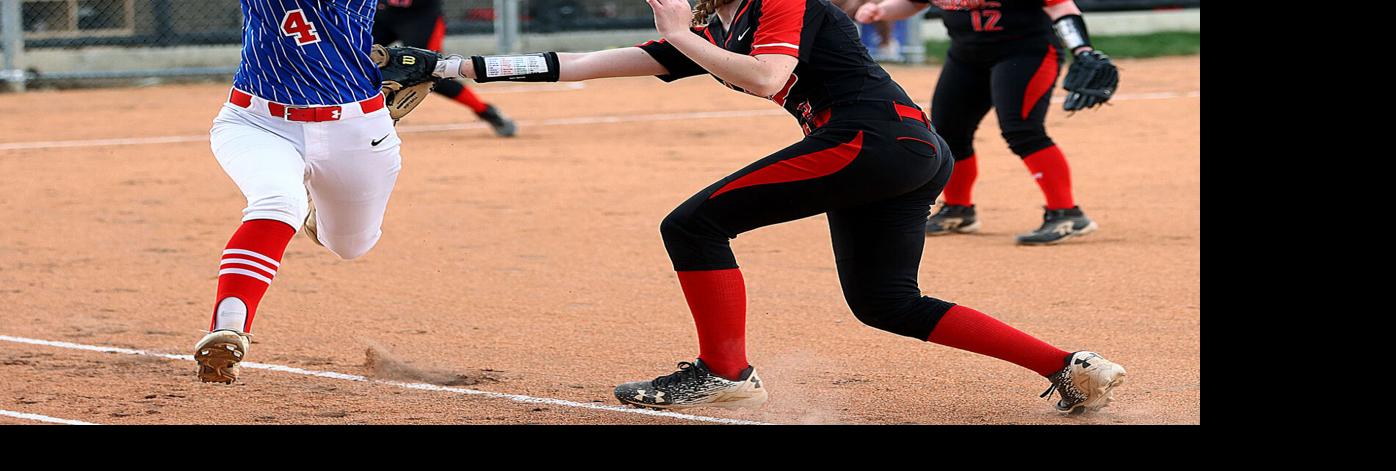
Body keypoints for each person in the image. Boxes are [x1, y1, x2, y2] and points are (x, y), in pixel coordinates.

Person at [433, 0, 1125, 414]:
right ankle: (1070, 367)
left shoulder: (769, 3)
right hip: (897, 147)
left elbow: (771, 75)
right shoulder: (720, 27)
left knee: (693, 224)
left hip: (872, 139)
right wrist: (451, 69)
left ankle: (724, 374)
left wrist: (681, 37)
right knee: (886, 302)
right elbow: (580, 64)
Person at [196, 0, 409, 383]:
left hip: (357, 129)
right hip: (257, 121)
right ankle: (228, 326)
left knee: (350, 245)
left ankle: (318, 219)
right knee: (278, 202)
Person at [853, 0, 1118, 244]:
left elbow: (1061, 7)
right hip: (966, 55)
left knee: (1022, 130)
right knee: (948, 131)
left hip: (1026, 52)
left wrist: (1082, 49)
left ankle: (1067, 212)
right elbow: (914, 3)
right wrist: (883, 10)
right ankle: (959, 209)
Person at [374, 0, 518, 136]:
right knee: (356, 59)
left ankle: (485, 110)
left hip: (420, 17)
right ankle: (364, 117)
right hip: (383, 13)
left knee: (430, 71)